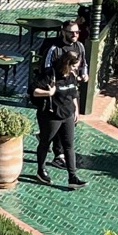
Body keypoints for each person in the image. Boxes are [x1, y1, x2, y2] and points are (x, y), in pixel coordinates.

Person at [33, 22, 88, 187]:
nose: (75, 35)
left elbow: (74, 93)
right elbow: (33, 90)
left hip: (67, 112)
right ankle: (41, 170)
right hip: (52, 113)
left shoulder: (72, 75)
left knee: (69, 145)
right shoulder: (51, 73)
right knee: (45, 142)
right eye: (72, 32)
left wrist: (76, 110)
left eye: (77, 32)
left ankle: (73, 177)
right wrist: (48, 93)